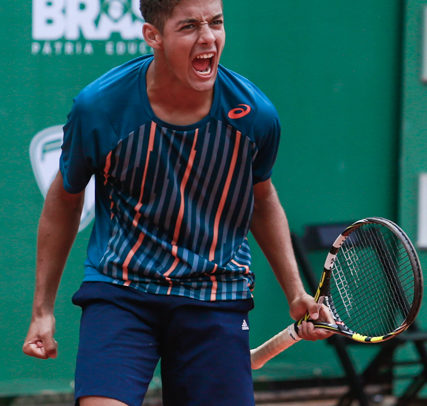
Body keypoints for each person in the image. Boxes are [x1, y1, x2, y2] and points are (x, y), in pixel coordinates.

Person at [23, 0, 332, 405]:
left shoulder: (254, 115)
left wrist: (295, 293)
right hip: (122, 290)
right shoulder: (100, 108)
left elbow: (261, 198)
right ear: (153, 35)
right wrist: (42, 310)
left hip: (215, 293)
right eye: (189, 26)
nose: (208, 38)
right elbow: (65, 200)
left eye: (216, 23)